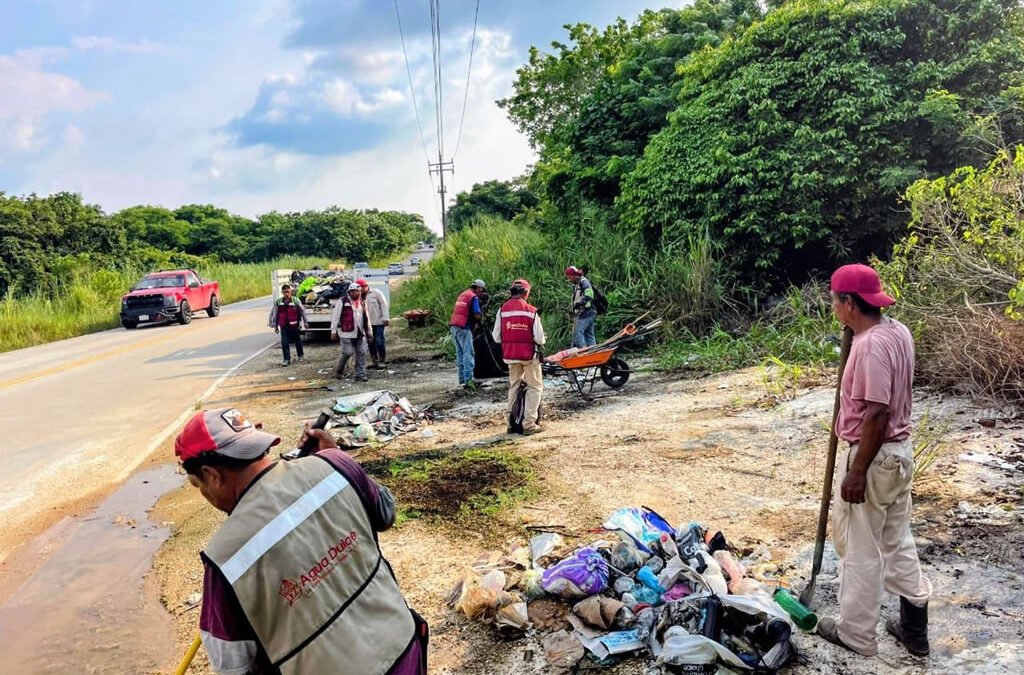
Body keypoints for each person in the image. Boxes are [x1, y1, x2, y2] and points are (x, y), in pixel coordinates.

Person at [174, 408, 428, 675]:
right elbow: (386, 514)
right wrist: (335, 460)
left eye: (197, 484)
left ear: (212, 475)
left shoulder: (223, 559)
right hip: (403, 652)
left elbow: (232, 666)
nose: (203, 493)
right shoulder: (335, 466)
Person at [816, 263, 932, 658]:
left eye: (834, 302)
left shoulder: (868, 347)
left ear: (849, 303)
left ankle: (857, 635)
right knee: (897, 540)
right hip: (899, 456)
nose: (833, 309)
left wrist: (857, 472)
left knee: (860, 549)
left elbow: (877, 414)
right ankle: (914, 629)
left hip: (874, 458)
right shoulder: (897, 331)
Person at [492, 279, 546, 435]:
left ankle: (510, 423)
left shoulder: (502, 310)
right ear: (525, 293)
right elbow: (540, 338)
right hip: (529, 356)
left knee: (514, 386)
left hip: (510, 355)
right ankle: (529, 424)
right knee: (535, 387)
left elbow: (496, 337)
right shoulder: (531, 311)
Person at [448, 279, 486, 390]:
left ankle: (462, 379)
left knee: (460, 353)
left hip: (454, 326)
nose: (482, 293)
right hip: (463, 327)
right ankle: (469, 380)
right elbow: (477, 314)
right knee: (468, 353)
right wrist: (481, 322)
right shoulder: (473, 297)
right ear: (478, 288)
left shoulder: (463, 294)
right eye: (482, 290)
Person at [330, 283, 371, 382]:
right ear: (349, 292)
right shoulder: (342, 301)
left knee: (361, 352)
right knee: (347, 352)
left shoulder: (362, 302)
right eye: (352, 291)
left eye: (357, 291)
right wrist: (333, 331)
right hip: (346, 332)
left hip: (359, 332)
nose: (355, 293)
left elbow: (366, 318)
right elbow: (335, 317)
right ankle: (339, 370)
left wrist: (369, 331)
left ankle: (360, 374)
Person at [268, 284, 309, 366]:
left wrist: (305, 322)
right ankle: (286, 359)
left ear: (290, 292)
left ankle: (300, 355)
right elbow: (275, 314)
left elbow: (302, 311)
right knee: (284, 343)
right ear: (282, 292)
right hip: (283, 326)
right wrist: (275, 326)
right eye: (284, 292)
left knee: (297, 340)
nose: (286, 294)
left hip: (294, 325)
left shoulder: (295, 300)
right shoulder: (278, 302)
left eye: (288, 292)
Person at [358, 278, 390, 369]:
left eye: (362, 288)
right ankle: (374, 361)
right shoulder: (358, 297)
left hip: (378, 321)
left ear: (366, 286)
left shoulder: (376, 293)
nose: (361, 290)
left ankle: (382, 360)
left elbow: (384, 304)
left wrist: (386, 318)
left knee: (379, 341)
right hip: (367, 324)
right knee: (370, 343)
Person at [565, 266, 597, 348]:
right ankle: (593, 352)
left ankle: (583, 352)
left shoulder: (584, 282)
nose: (569, 280)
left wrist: (580, 303)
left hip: (587, 312)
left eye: (570, 277)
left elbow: (590, 294)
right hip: (586, 313)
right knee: (589, 334)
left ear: (575, 275)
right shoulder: (576, 284)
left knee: (578, 333)